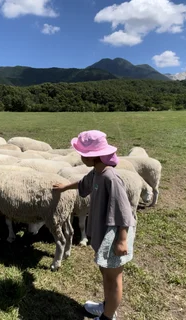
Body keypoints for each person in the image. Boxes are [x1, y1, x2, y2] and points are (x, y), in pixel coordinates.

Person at [53, 130, 136, 320]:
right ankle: (107, 307)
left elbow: (124, 211)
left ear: (93, 157)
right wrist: (65, 187)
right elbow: (85, 183)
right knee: (105, 271)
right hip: (103, 229)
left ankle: (108, 317)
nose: (81, 157)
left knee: (113, 278)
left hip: (115, 234)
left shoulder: (111, 178)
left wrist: (122, 240)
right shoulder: (97, 173)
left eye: (84, 154)